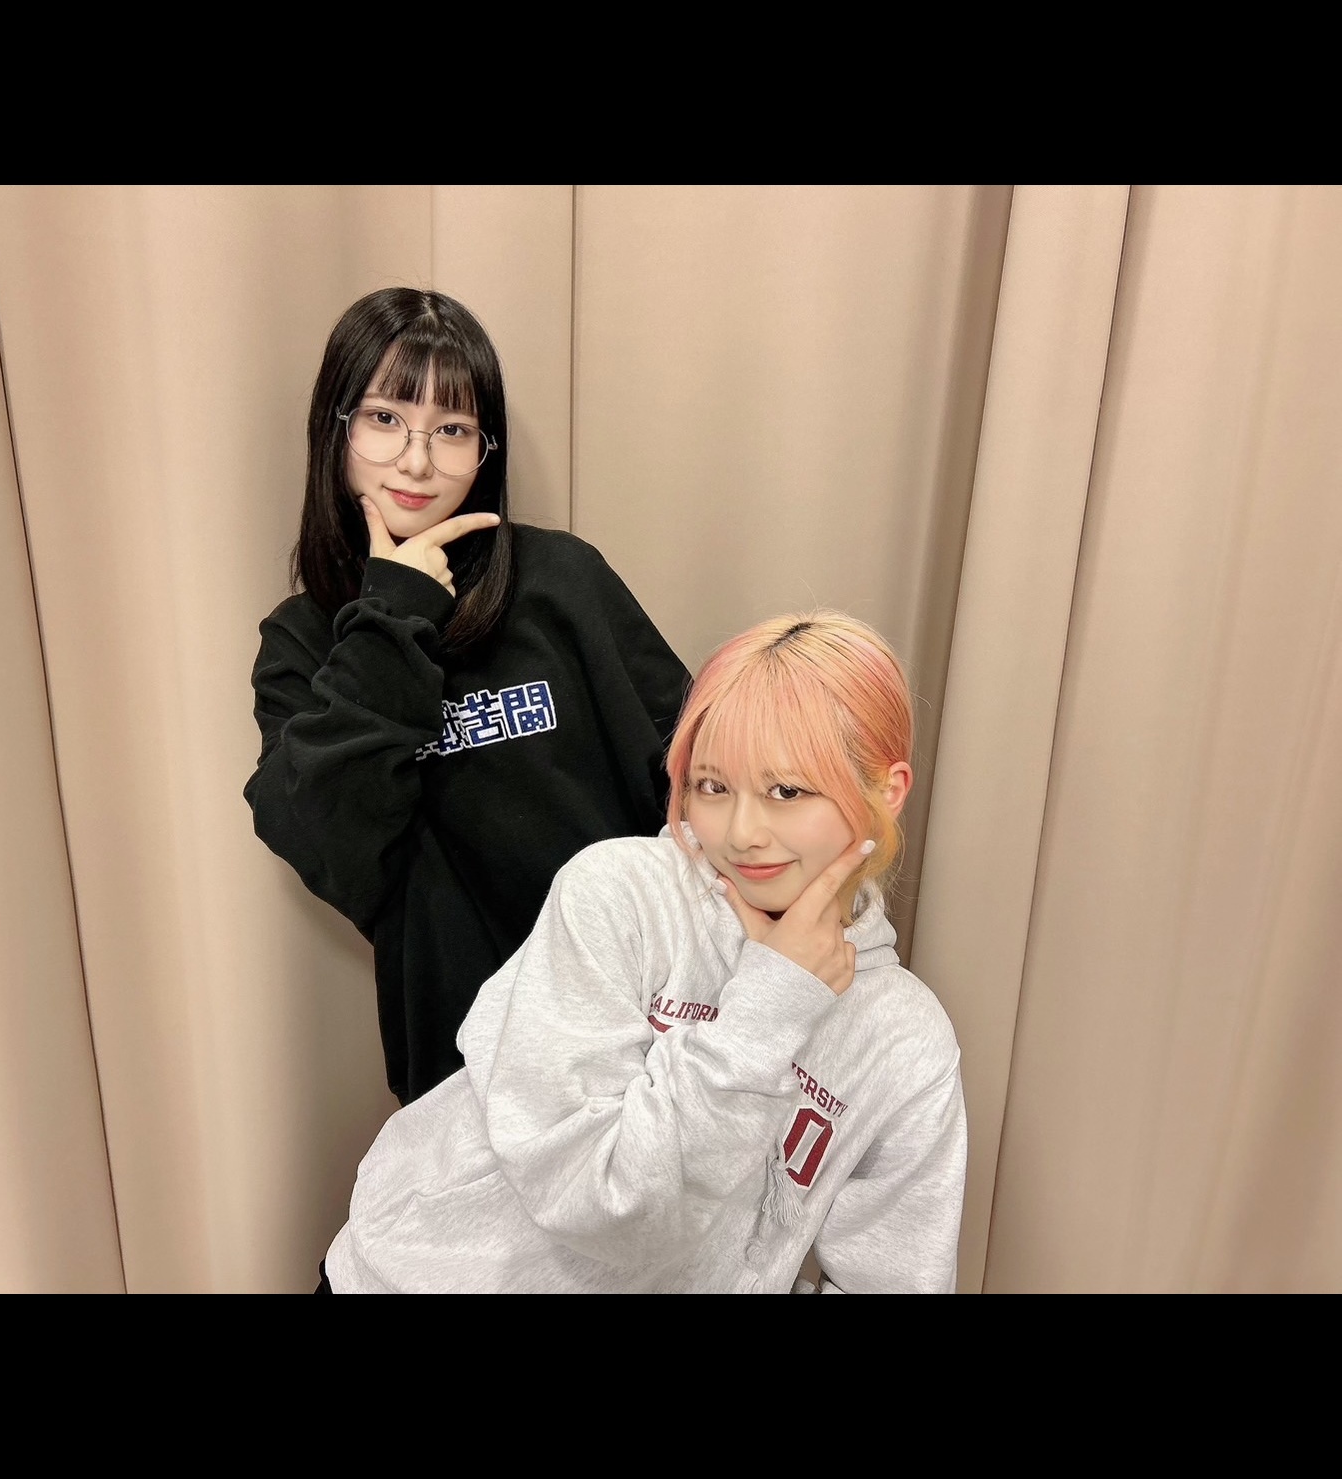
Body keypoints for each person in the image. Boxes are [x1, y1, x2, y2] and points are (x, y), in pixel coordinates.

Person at [320, 610, 968, 1294]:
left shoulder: (903, 1038)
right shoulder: (619, 896)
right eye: (712, 786)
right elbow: (597, 1201)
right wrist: (769, 1005)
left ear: (887, 790)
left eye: (786, 791)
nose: (742, 833)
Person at [245, 288, 690, 1108]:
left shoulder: (561, 579)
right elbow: (326, 846)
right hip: (466, 1076)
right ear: (335, 429)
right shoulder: (304, 642)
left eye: (451, 429)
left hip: (643, 1041)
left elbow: (694, 773)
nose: (416, 461)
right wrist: (392, 613)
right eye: (385, 418)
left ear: (484, 450)